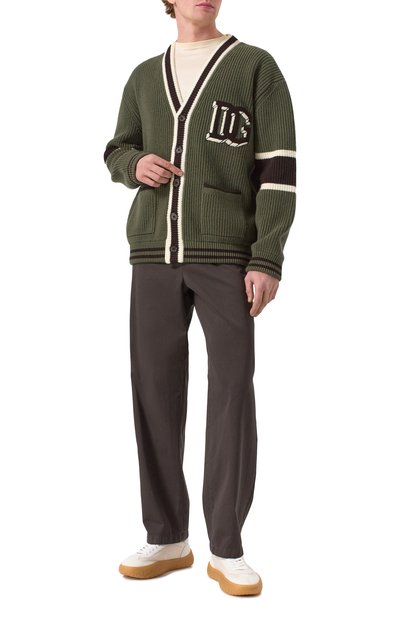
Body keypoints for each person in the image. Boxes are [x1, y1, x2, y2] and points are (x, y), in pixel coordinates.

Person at [103, 0, 296, 597]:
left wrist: (266, 257)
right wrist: (135, 163)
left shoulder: (255, 67)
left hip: (227, 254)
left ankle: (228, 547)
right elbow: (116, 150)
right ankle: (167, 537)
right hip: (152, 253)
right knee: (154, 390)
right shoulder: (144, 76)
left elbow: (278, 169)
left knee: (233, 388)